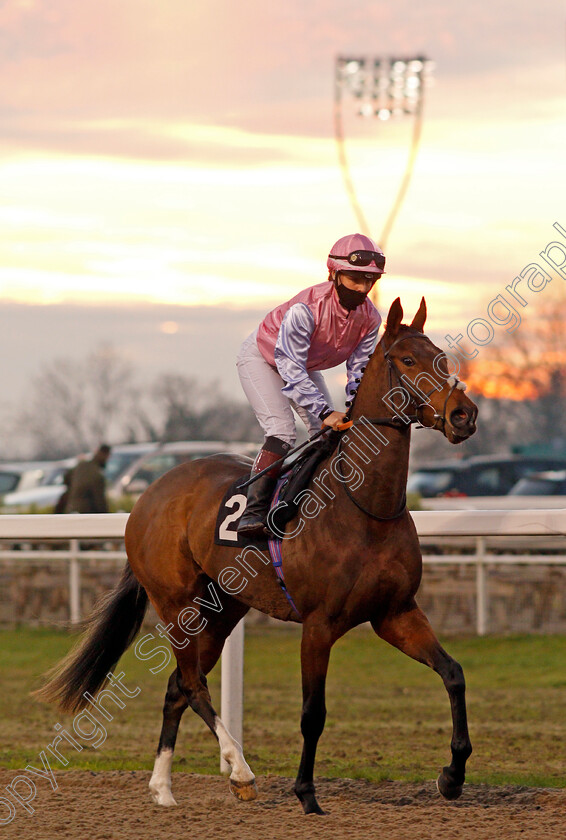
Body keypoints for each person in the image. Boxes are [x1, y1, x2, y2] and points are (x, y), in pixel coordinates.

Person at [236, 233, 385, 538]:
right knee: (282, 431)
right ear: (334, 273)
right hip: (263, 359)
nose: (362, 288)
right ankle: (253, 512)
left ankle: (304, 502)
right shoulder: (306, 309)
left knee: (326, 434)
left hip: (304, 365)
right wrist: (325, 410)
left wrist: (356, 409)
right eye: (355, 278)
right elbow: (289, 367)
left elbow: (358, 370)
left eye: (369, 280)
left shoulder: (370, 318)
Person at [65, 444, 112, 513]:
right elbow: (100, 502)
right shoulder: (97, 475)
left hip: (71, 510)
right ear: (106, 455)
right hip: (86, 513)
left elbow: (66, 479)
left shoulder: (81, 465)